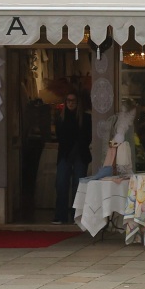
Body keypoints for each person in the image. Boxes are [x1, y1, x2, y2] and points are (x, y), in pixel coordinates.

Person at [51, 90, 91, 225]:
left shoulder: (85, 118)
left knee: (78, 186)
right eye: (68, 101)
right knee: (61, 185)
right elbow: (60, 137)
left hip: (80, 154)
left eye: (73, 101)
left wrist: (78, 147)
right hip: (64, 155)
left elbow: (87, 137)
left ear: (78, 103)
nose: (71, 103)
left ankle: (77, 215)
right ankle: (61, 215)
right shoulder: (61, 119)